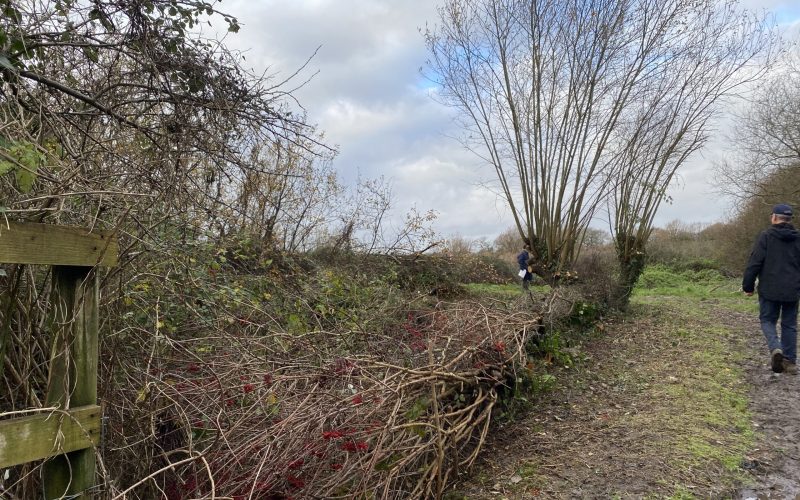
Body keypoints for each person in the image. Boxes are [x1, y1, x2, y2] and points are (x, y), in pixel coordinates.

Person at [743, 203, 800, 374]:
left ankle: (776, 348)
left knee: (767, 320)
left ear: (774, 217)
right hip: (793, 289)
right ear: (790, 220)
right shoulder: (798, 238)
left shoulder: (766, 236)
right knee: (789, 324)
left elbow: (755, 262)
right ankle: (789, 362)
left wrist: (748, 286)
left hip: (769, 288)